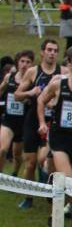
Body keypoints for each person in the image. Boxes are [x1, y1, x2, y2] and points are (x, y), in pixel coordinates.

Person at [35, 46, 72, 184]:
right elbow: (42, 100)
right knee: (68, 179)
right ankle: (50, 172)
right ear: (69, 64)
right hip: (58, 134)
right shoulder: (58, 82)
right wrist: (43, 122)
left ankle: (54, 186)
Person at [13, 40, 62, 208]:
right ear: (42, 52)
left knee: (44, 160)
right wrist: (30, 92)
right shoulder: (33, 72)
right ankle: (29, 197)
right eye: (49, 50)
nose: (52, 53)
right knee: (31, 162)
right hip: (33, 121)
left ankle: (46, 177)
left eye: (55, 50)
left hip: (53, 123)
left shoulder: (63, 72)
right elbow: (17, 95)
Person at [1, 49, 34, 181]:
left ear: (32, 64)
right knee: (2, 149)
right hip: (8, 120)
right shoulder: (9, 77)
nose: (24, 64)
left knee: (17, 154)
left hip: (23, 123)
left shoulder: (32, 81)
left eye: (28, 62)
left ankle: (14, 173)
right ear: (17, 62)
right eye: (22, 61)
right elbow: (2, 88)